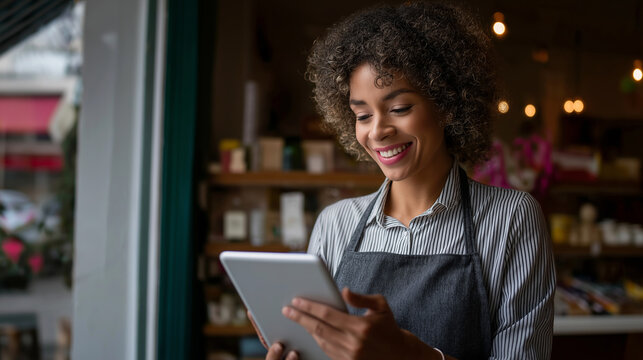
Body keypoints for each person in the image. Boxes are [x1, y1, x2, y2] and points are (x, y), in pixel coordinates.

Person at [258, 2, 555, 359]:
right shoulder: (335, 224)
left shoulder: (512, 218)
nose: (378, 131)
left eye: (399, 109)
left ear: (447, 103)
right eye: (363, 115)